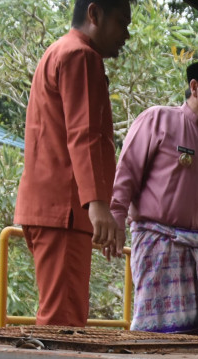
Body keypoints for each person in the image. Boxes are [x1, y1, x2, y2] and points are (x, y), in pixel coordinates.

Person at [14, 0, 132, 326]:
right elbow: (85, 135)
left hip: (55, 207)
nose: (127, 34)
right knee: (62, 323)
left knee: (64, 315)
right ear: (94, 14)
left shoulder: (59, 52)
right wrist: (97, 205)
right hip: (65, 209)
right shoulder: (81, 55)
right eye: (122, 22)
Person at [111, 58, 198, 333]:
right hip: (159, 243)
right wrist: (116, 220)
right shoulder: (158, 119)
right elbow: (127, 172)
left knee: (196, 335)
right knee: (154, 333)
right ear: (194, 87)